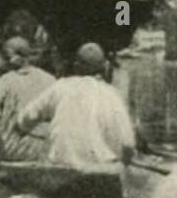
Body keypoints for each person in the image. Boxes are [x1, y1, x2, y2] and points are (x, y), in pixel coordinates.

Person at [12, 42, 137, 170]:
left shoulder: (60, 87)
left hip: (60, 165)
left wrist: (22, 129)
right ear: (105, 68)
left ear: (76, 67)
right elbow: (128, 144)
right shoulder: (112, 95)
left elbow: (24, 120)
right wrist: (124, 164)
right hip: (98, 169)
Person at [0, 35, 56, 164]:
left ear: (10, 56)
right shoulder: (50, 79)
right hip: (49, 147)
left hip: (16, 149)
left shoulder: (6, 80)